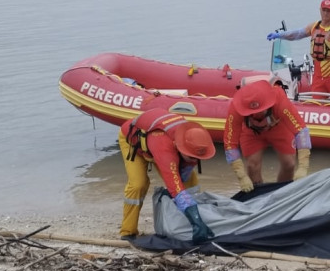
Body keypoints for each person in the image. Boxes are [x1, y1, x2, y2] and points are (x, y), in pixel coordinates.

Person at [117, 108, 217, 243]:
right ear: (180, 148)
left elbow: (184, 175)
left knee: (191, 181)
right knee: (138, 184)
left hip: (157, 144)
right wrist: (196, 219)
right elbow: (175, 186)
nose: (194, 160)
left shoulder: (192, 137)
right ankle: (128, 231)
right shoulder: (165, 149)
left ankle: (188, 222)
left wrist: (185, 176)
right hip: (134, 144)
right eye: (191, 156)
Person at [225, 79, 311, 190]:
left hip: (279, 127)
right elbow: (230, 144)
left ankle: (281, 192)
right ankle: (258, 193)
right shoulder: (236, 107)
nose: (257, 114)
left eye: (260, 110)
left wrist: (303, 166)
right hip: (251, 132)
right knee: (252, 165)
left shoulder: (279, 99)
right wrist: (241, 176)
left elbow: (301, 130)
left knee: (289, 164)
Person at [267, 0, 330, 95]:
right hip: (318, 76)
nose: (326, 13)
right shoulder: (314, 26)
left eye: (329, 10)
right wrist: (280, 35)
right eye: (324, 10)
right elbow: (297, 34)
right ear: (320, 10)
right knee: (316, 103)